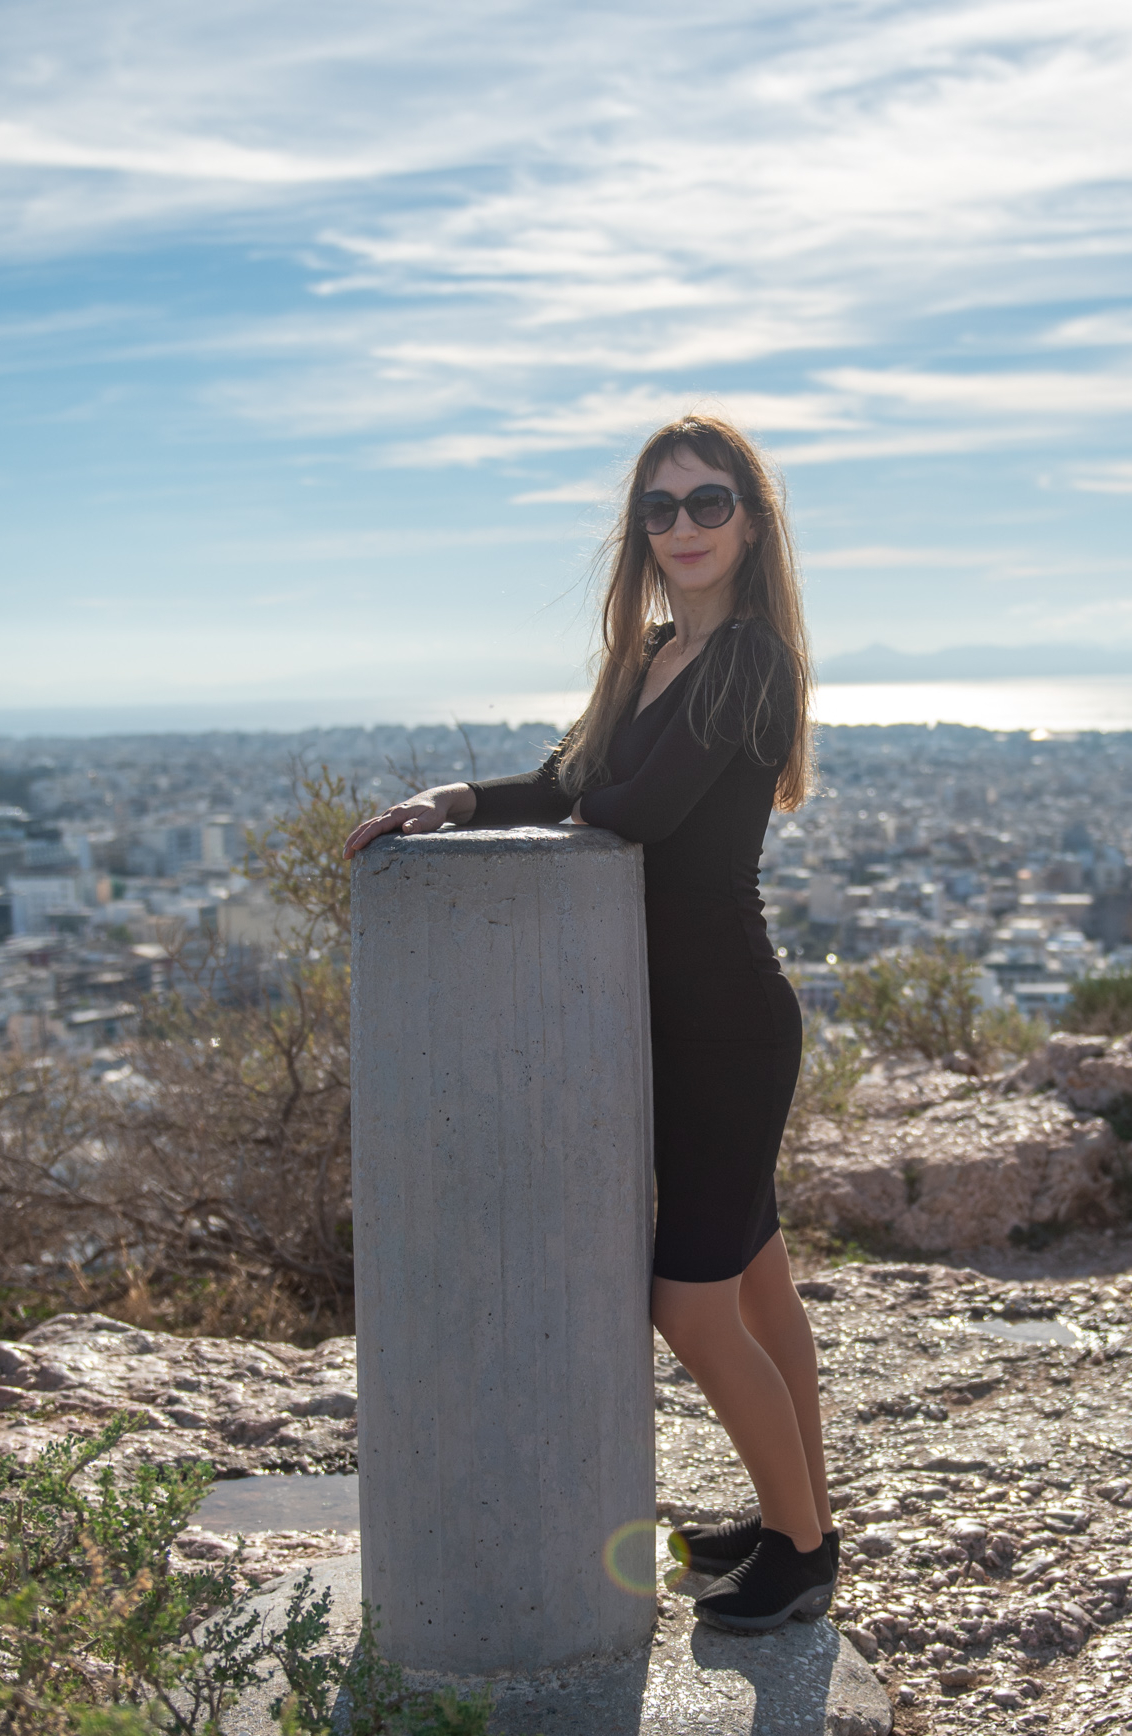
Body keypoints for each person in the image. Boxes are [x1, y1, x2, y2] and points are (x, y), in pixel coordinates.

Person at [342, 414, 835, 1635]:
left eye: (707, 501)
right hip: (680, 1024)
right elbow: (570, 784)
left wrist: (567, 798)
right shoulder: (654, 653)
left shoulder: (749, 660)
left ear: (751, 520)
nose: (682, 526)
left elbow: (634, 809)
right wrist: (455, 799)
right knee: (758, 1286)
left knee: (691, 1304)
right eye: (659, 507)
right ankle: (796, 1517)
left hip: (726, 1026)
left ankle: (802, 1552)